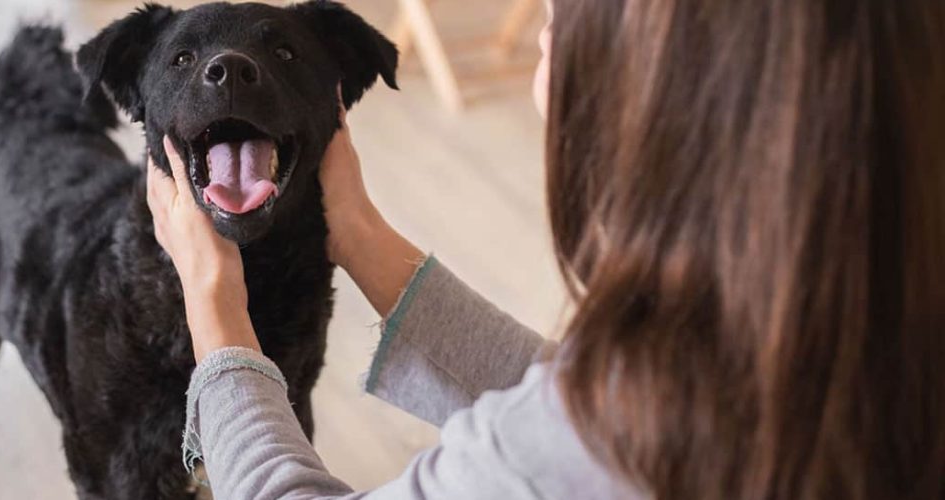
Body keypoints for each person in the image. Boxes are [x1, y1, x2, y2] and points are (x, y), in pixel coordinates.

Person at [145, 0, 945, 498]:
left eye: (560, 21)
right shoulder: (853, 336)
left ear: (662, 85)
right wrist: (358, 235)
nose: (540, 47)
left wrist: (216, 312)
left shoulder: (615, 443)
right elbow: (596, 404)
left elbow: (570, 440)